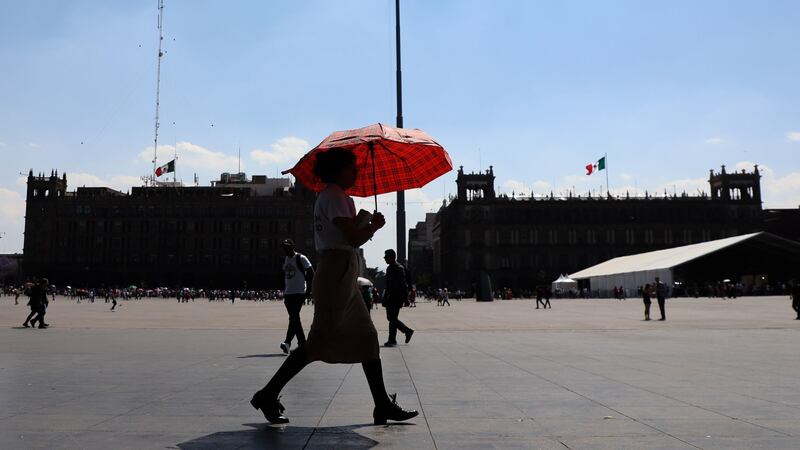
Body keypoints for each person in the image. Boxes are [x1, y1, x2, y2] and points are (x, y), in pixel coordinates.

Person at [250, 148, 417, 426]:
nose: (356, 172)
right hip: (335, 272)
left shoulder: (333, 197)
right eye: (351, 167)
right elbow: (352, 237)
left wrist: (366, 225)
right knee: (315, 344)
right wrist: (373, 226)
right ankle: (267, 394)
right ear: (337, 170)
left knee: (367, 338)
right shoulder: (335, 196)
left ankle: (382, 404)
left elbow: (347, 235)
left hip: (341, 271)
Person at [279, 238, 314, 354]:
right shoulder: (285, 260)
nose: (285, 249)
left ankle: (288, 342)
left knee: (294, 317)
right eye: (283, 247)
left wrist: (308, 290)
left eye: (287, 246)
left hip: (299, 292)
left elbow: (311, 273)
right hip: (288, 293)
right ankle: (302, 343)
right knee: (294, 318)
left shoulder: (301, 258)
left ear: (293, 246)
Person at [382, 249, 414, 347]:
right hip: (390, 296)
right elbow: (388, 285)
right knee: (391, 318)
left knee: (392, 318)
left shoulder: (399, 268)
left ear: (392, 257)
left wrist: (405, 298)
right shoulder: (389, 268)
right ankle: (393, 339)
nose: (385, 259)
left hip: (397, 296)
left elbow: (403, 284)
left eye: (386, 257)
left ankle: (406, 331)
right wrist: (385, 297)